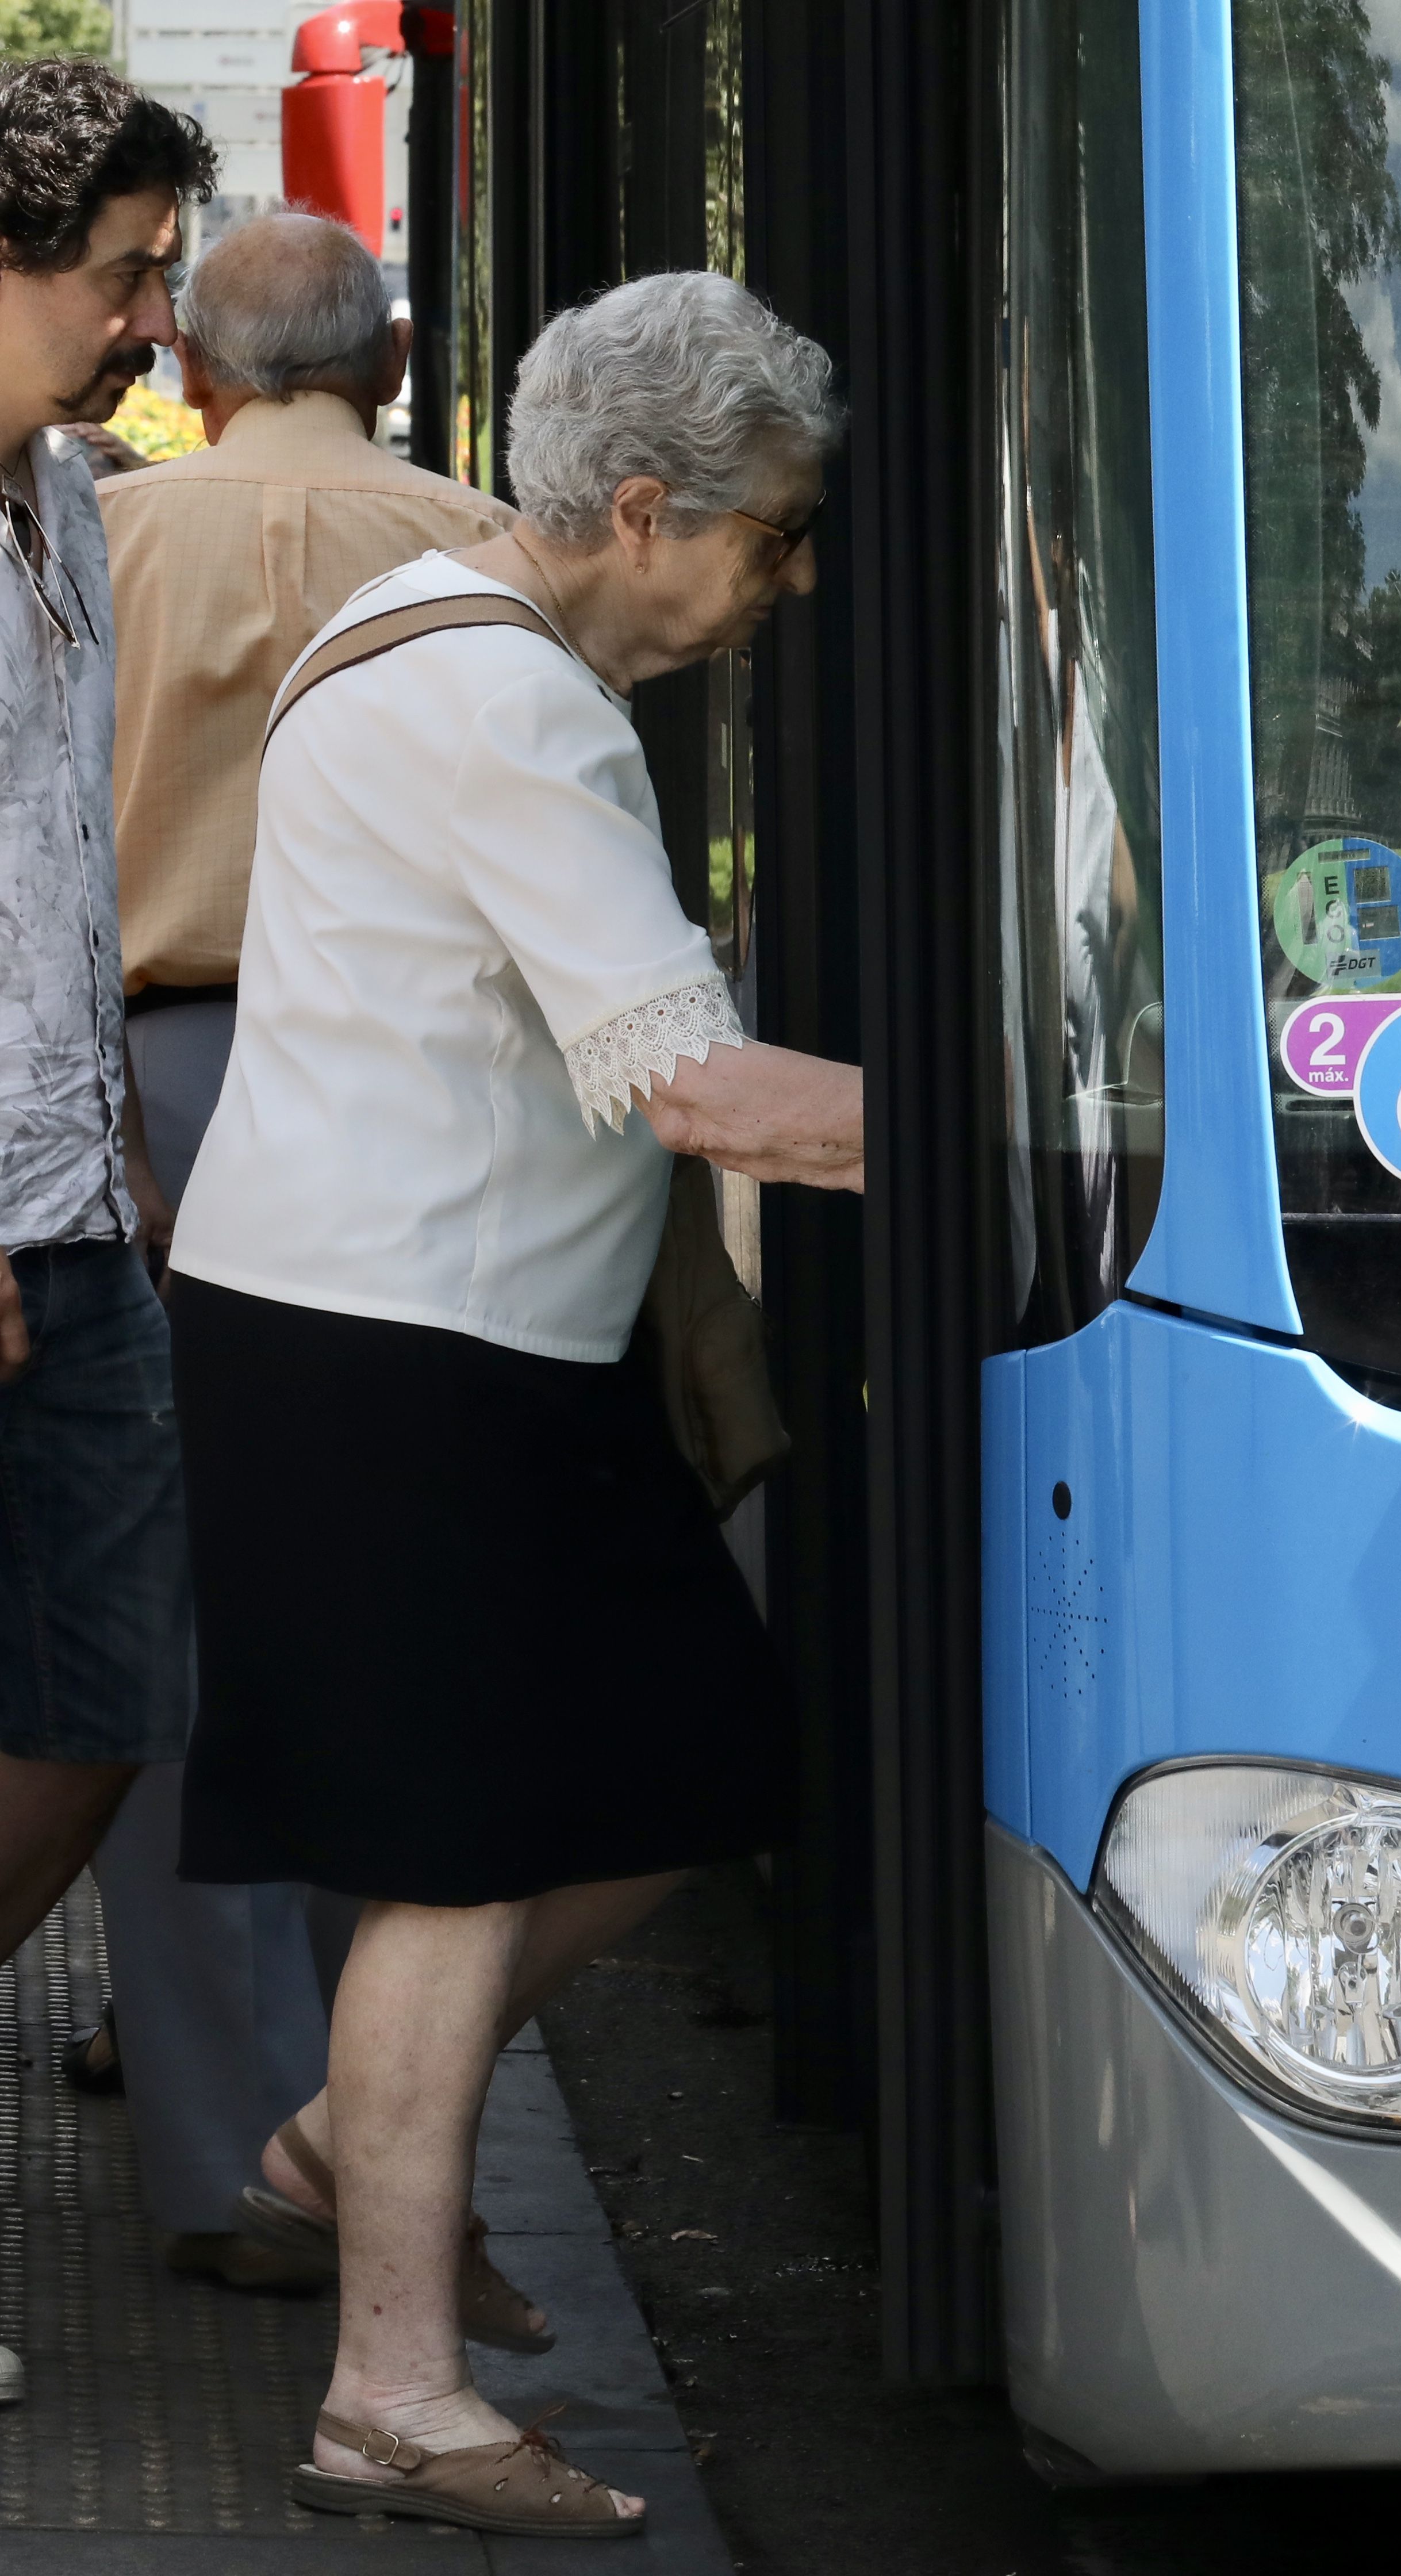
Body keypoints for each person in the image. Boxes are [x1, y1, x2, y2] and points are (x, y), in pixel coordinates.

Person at [167, 270, 863, 2538]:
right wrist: (1040, 1148)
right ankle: (389, 2388)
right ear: (645, 509)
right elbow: (686, 1085)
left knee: (695, 1748)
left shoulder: (439, 641)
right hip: (404, 1348)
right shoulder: (511, 709)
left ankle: (328, 2148)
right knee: (458, 1867)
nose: (787, 581)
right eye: (767, 534)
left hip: (432, 1336)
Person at [87, 207, 514, 2296]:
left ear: (196, 368)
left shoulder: (104, 542)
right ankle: (365, 2129)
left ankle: (198, 2148)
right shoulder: (481, 543)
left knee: (169, 1618)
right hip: (422, 1102)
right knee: (398, 1612)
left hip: (152, 1088)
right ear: (404, 350)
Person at [0, 56, 216, 2403]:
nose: (152, 318)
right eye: (121, 272)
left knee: (111, 1698)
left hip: (78, 1195)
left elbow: (53, 854)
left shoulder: (66, 489)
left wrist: (113, 1147)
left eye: (161, 268)